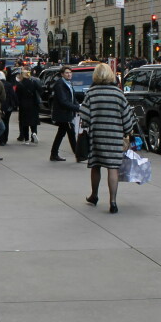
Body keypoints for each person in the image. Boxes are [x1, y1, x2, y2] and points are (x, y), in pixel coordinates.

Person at [79, 63, 136, 214]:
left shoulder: (91, 93)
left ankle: (94, 195)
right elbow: (127, 119)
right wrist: (128, 132)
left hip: (97, 136)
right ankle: (113, 202)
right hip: (115, 137)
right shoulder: (118, 94)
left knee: (96, 166)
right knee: (113, 168)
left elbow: (84, 117)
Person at [49, 66, 80, 162]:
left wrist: (77, 105)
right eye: (67, 73)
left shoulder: (68, 83)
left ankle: (54, 154)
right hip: (64, 114)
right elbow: (63, 101)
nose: (69, 74)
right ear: (62, 74)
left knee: (62, 133)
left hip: (67, 113)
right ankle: (78, 155)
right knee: (70, 134)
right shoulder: (60, 85)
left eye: (70, 72)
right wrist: (77, 108)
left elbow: (72, 98)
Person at [15, 69, 42, 144]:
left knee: (24, 123)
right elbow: (40, 90)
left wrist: (17, 104)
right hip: (33, 104)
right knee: (33, 121)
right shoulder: (33, 82)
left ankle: (26, 139)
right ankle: (34, 133)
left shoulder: (20, 84)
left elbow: (17, 96)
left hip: (23, 105)